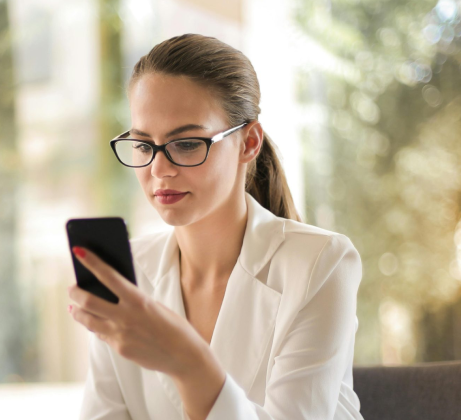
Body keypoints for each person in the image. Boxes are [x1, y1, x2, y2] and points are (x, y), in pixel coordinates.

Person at [66, 34, 364, 420]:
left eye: (186, 143)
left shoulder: (320, 263)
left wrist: (189, 364)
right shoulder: (131, 272)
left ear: (248, 142)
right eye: (143, 145)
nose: (159, 169)